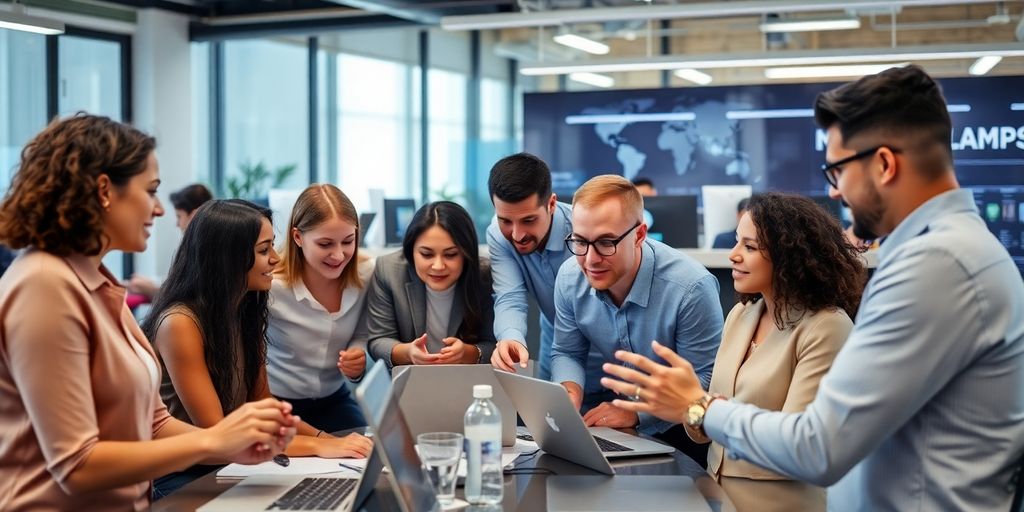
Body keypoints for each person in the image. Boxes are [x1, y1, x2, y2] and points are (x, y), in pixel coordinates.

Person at [601, 65, 1024, 511]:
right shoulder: (957, 252)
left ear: (883, 164)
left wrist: (700, 407)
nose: (836, 193)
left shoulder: (936, 265)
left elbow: (818, 446)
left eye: (837, 170)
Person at [0, 114, 297, 510]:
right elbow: (75, 464)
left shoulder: (96, 281)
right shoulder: (44, 285)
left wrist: (236, 443)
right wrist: (214, 440)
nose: (159, 210)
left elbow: (154, 424)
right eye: (151, 191)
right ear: (105, 190)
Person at [144, 199, 372, 498]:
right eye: (264, 250)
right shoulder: (180, 324)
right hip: (184, 471)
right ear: (229, 258)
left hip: (231, 463)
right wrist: (320, 445)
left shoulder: (244, 308)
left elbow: (263, 402)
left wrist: (328, 439)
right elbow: (219, 433)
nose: (276, 260)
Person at [684, 192, 865, 511]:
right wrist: (691, 403)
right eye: (737, 242)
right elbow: (701, 431)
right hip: (716, 497)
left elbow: (799, 448)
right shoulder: (740, 316)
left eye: (750, 247)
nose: (733, 256)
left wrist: (707, 408)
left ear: (788, 257)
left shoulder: (827, 327)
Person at [551, 174, 724, 464]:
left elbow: (707, 380)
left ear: (640, 235)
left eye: (606, 242)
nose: (590, 259)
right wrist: (568, 392)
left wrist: (636, 412)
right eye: (580, 241)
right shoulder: (570, 278)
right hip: (618, 424)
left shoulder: (691, 289)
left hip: (683, 430)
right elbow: (568, 351)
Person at [487, 152, 603, 385]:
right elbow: (510, 296)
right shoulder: (498, 236)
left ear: (551, 204)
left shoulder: (585, 230)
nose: (517, 235)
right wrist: (511, 338)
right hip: (556, 353)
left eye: (529, 220)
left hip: (611, 359)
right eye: (505, 221)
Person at [267, 183, 374, 433]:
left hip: (333, 398)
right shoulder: (272, 286)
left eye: (348, 241)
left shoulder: (367, 274)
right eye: (325, 244)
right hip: (278, 402)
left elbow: (363, 332)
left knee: (369, 452)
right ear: (298, 237)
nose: (338, 255)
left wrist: (357, 354)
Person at [367, 201, 496, 369]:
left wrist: (468, 353)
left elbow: (495, 344)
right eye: (426, 254)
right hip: (409, 382)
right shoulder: (388, 270)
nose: (438, 266)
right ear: (411, 250)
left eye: (450, 255)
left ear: (466, 253)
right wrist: (408, 352)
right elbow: (378, 340)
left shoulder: (483, 277)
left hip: (466, 382)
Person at [126, 183, 213, 301]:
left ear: (194, 215)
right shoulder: (199, 248)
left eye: (179, 216)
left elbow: (192, 297)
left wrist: (152, 289)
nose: (177, 224)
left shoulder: (205, 252)